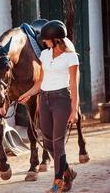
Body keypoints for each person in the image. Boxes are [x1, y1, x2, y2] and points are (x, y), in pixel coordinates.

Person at [18, 20, 79, 193]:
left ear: (56, 39)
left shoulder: (71, 57)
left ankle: (58, 182)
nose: (43, 42)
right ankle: (68, 171)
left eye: (46, 39)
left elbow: (73, 85)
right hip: (44, 99)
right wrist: (28, 93)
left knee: (58, 142)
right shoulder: (44, 54)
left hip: (62, 99)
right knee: (47, 139)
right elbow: (40, 81)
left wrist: (74, 109)